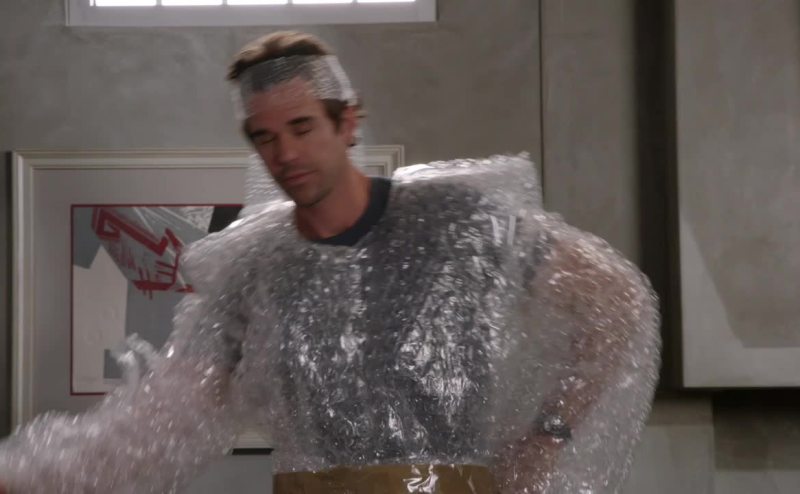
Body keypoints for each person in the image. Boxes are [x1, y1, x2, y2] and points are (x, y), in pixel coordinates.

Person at [0, 31, 660, 493]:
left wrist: (546, 436)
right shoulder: (255, 271)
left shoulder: (457, 222)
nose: (285, 154)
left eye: (302, 127)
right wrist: (25, 476)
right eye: (265, 137)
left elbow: (617, 302)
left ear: (348, 123)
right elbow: (163, 419)